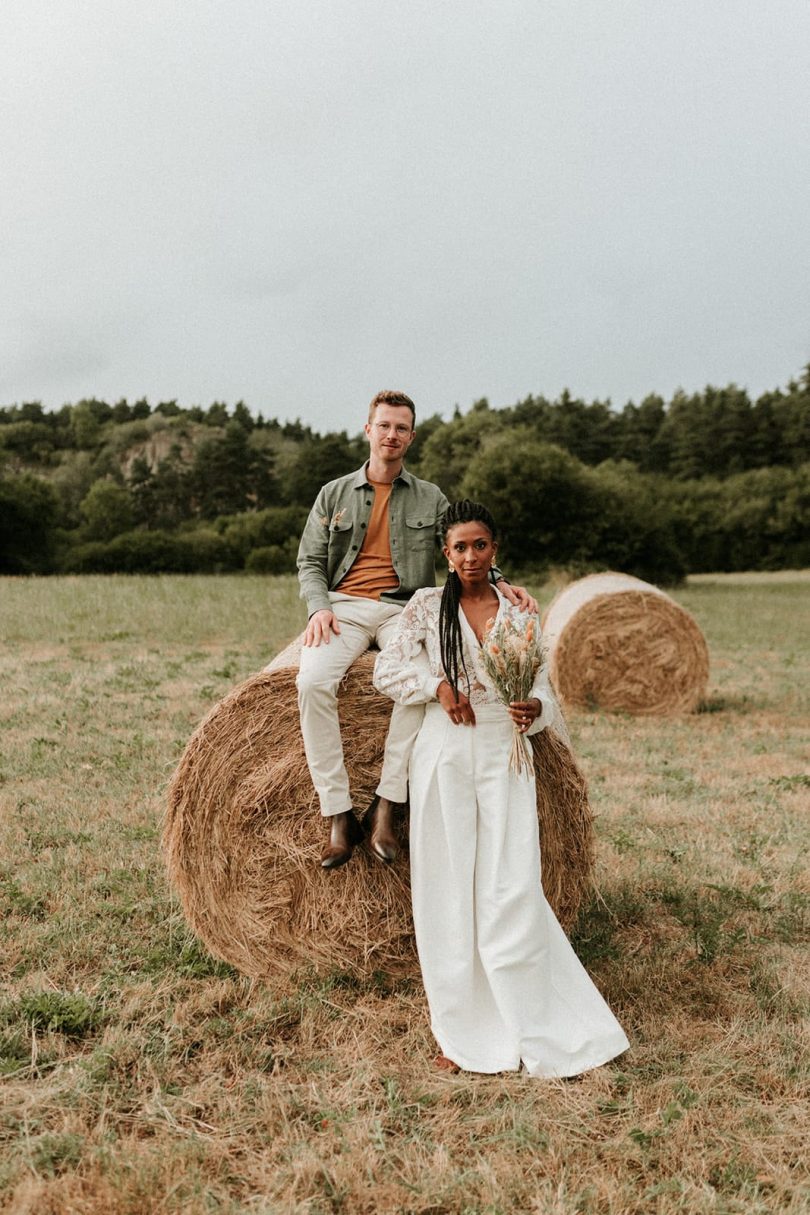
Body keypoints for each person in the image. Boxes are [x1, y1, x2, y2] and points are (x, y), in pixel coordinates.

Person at [372, 499, 629, 1077]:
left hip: (504, 754)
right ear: (445, 552)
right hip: (443, 754)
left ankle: (532, 1025)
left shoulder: (518, 612)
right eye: (459, 547)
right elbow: (384, 671)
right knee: (446, 887)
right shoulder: (423, 609)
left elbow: (543, 685)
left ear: (495, 549)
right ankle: (461, 1034)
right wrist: (436, 686)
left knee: (510, 884)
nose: (469, 556)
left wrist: (534, 707)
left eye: (479, 545)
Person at [295, 390, 537, 870]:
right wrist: (317, 608)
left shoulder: (431, 497)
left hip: (404, 609)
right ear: (368, 430)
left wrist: (501, 581)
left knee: (420, 683)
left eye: (401, 428)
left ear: (411, 436)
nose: (392, 435)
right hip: (343, 606)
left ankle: (388, 804)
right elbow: (309, 561)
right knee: (311, 682)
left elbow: (462, 548)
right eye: (384, 425)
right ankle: (338, 811)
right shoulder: (333, 493)